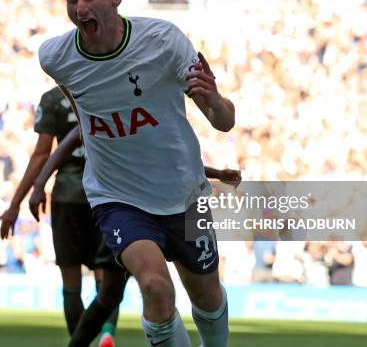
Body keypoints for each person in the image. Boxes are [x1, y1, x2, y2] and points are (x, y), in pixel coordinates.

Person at [37, 0, 235, 347]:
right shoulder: (55, 57)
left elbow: (223, 121)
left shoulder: (163, 40)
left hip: (185, 193)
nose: (80, 8)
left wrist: (213, 98)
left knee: (208, 298)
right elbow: (85, 115)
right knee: (155, 286)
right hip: (118, 198)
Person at [28, 124, 241, 346]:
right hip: (120, 210)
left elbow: (171, 160)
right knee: (115, 291)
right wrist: (39, 184)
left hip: (169, 205)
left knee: (110, 294)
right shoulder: (97, 105)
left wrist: (216, 173)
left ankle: (95, 339)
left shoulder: (153, 114)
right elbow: (70, 139)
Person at [0, 86, 125, 347]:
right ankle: (107, 333)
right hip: (106, 194)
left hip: (68, 196)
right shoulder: (110, 87)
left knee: (71, 280)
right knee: (107, 277)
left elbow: (42, 153)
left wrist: (16, 203)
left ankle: (80, 343)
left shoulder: (53, 98)